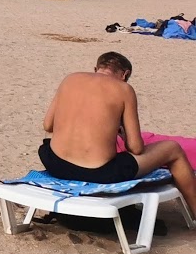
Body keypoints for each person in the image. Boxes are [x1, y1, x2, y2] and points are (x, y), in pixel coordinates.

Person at [39, 51, 196, 211]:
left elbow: (48, 125)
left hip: (55, 163)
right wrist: (122, 133)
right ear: (125, 74)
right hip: (97, 172)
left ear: (96, 68)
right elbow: (136, 148)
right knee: (173, 148)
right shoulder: (124, 89)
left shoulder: (70, 79)